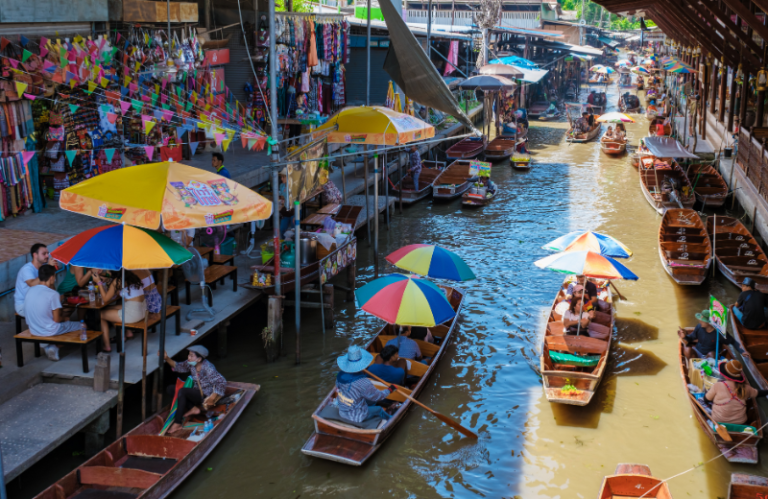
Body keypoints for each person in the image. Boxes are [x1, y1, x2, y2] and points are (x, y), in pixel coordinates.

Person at [163, 346, 226, 434]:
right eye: (189, 355)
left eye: (191, 356)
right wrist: (166, 358)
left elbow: (221, 382)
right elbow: (179, 366)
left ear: (199, 359)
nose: (189, 357)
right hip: (197, 392)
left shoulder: (208, 367)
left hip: (206, 396)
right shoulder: (190, 363)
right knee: (170, 389)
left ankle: (177, 423)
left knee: (182, 391)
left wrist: (212, 398)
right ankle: (193, 408)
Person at [24, 264, 82, 361]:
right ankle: (55, 346)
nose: (55, 279)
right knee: (83, 327)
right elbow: (57, 319)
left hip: (33, 329)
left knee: (64, 323)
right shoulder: (53, 294)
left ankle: (48, 345)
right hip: (49, 330)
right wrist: (65, 318)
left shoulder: (30, 290)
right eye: (55, 277)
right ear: (51, 278)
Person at [335, 345, 395, 424]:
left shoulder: (340, 375)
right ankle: (391, 419)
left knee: (371, 401)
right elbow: (378, 396)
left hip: (343, 411)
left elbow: (338, 386)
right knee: (379, 409)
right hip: (356, 417)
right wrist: (389, 390)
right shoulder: (364, 383)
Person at [93, 269, 146, 351]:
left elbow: (106, 299)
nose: (106, 272)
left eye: (107, 270)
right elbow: (120, 293)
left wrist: (98, 282)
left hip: (133, 313)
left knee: (100, 314)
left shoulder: (118, 280)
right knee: (108, 309)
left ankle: (106, 346)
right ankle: (122, 336)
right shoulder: (130, 276)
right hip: (142, 310)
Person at [705, 360, 767, 425]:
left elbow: (706, 399)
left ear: (725, 375)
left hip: (718, 422)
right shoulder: (746, 388)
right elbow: (759, 393)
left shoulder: (717, 385)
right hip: (740, 423)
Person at [678, 309, 746, 360]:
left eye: (702, 320)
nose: (700, 321)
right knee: (687, 350)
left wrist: (742, 351)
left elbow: (732, 341)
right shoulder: (699, 327)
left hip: (710, 357)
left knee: (712, 354)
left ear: (709, 323)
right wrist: (685, 337)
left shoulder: (719, 333)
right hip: (698, 352)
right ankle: (692, 367)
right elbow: (692, 337)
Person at [15, 243, 49, 317]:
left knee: (61, 308)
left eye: (47, 253)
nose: (47, 256)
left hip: (39, 302)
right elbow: (32, 284)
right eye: (44, 254)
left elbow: (50, 286)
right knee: (48, 314)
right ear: (35, 255)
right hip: (23, 305)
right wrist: (47, 270)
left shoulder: (44, 267)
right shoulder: (27, 269)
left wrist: (51, 271)